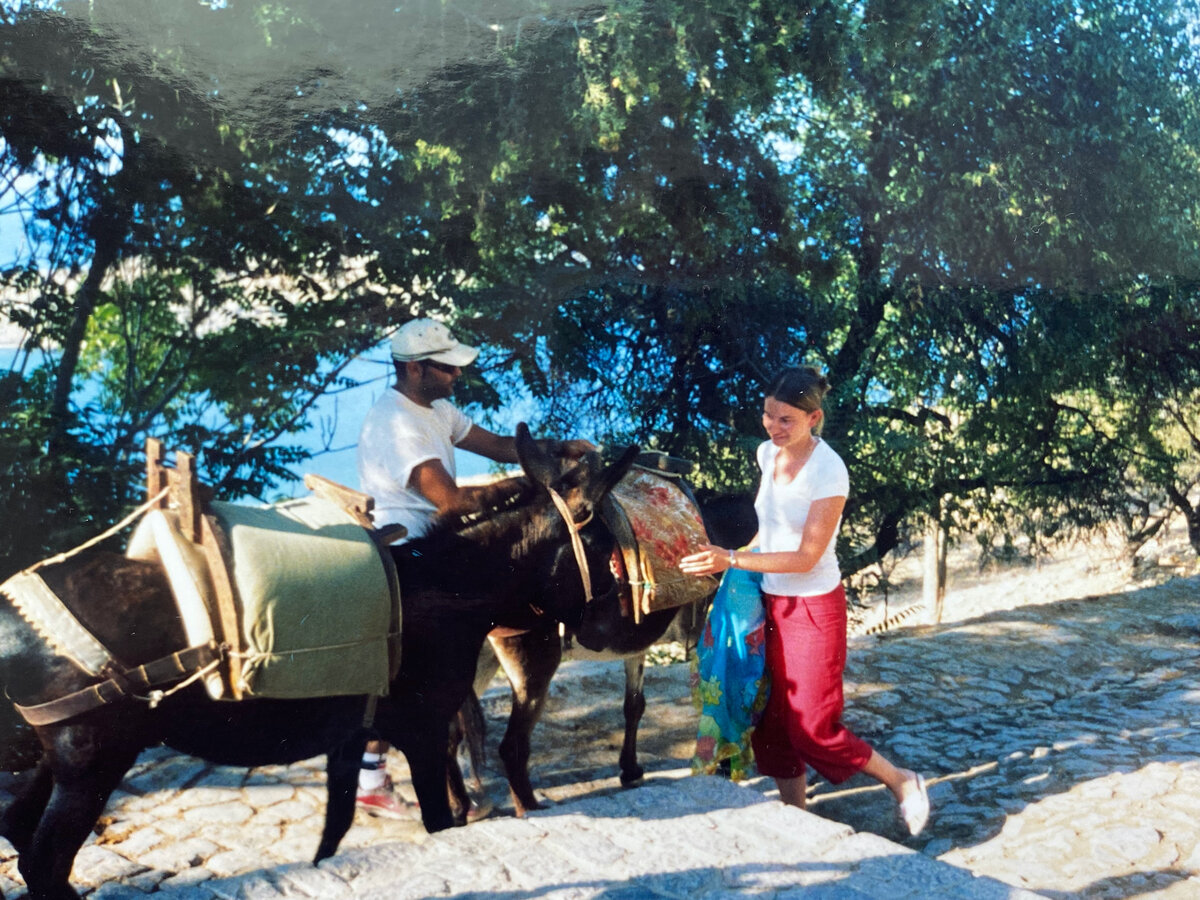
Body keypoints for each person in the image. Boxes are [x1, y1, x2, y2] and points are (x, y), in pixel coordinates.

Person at [354, 317, 594, 820]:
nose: (456, 376)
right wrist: (518, 491)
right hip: (413, 547)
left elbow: (496, 445)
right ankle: (378, 775)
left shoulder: (434, 406)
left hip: (438, 536)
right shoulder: (397, 422)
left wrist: (557, 449)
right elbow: (448, 502)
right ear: (416, 368)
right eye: (447, 368)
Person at [679, 366, 930, 837]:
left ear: (814, 417)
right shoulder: (765, 454)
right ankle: (798, 817)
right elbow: (770, 530)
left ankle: (903, 781)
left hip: (813, 609)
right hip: (768, 604)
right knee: (772, 721)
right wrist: (727, 563)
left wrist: (730, 559)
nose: (773, 427)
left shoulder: (829, 471)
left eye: (786, 420)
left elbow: (806, 556)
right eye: (768, 416)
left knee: (813, 725)